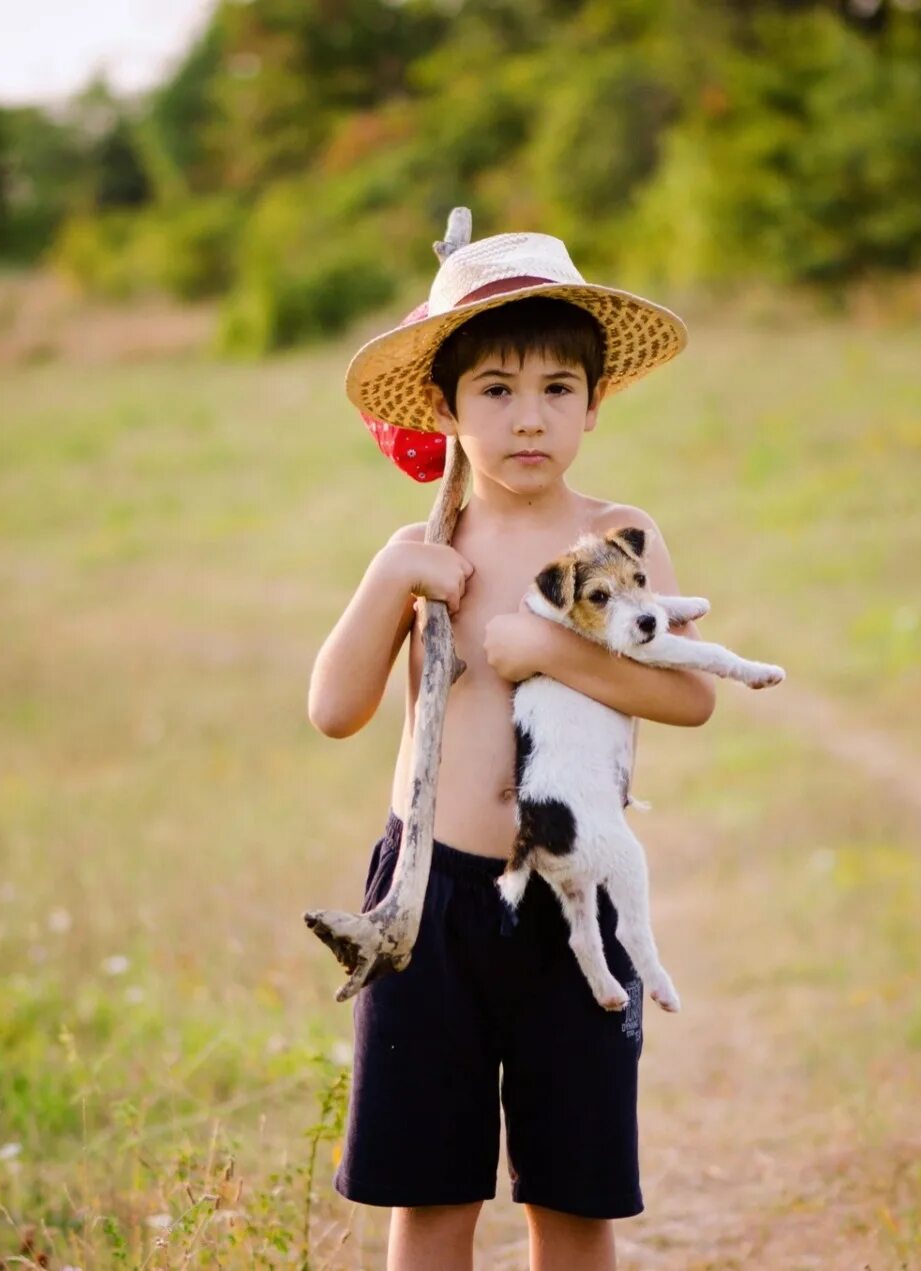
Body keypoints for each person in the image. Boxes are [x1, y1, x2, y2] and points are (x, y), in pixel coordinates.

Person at [307, 227, 717, 1271]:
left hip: (572, 892)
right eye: (493, 388)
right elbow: (334, 707)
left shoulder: (619, 536)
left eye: (556, 388)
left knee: (573, 1196)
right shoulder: (428, 547)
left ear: (593, 402)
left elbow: (687, 695)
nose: (528, 415)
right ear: (444, 409)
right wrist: (388, 580)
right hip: (429, 900)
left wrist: (550, 647)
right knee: (431, 1193)